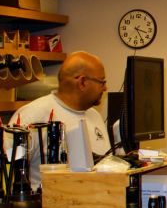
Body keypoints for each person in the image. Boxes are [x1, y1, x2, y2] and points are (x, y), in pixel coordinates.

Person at [9, 51, 111, 189]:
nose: (105, 88)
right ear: (82, 82)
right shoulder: (32, 115)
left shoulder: (94, 116)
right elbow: (10, 168)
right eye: (102, 82)